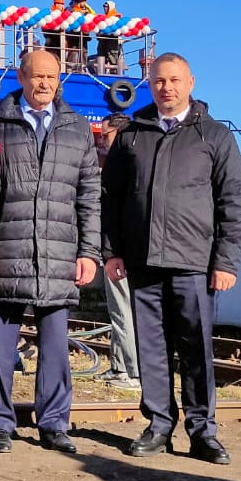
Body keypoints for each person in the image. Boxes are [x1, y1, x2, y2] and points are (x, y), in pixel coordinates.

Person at [102, 53, 241, 465]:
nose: (167, 87)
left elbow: (234, 201)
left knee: (196, 350)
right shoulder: (132, 136)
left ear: (191, 82)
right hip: (143, 262)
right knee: (151, 348)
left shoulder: (214, 136)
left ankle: (203, 432)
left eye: (175, 80)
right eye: (159, 81)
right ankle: (159, 425)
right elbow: (109, 198)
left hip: (194, 263)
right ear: (150, 84)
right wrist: (111, 251)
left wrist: (226, 261)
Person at [0, 49, 100, 455]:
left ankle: (55, 424)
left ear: (60, 80)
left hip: (59, 252)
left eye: (51, 77)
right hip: (7, 248)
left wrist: (89, 251)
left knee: (56, 346)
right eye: (36, 76)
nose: (44, 83)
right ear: (22, 77)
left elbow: (90, 195)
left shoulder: (77, 128)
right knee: (1, 345)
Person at [95, 113, 140, 391]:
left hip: (121, 252)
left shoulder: (121, 167)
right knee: (119, 310)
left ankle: (132, 372)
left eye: (106, 135)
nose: (101, 139)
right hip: (118, 249)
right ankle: (119, 366)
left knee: (124, 310)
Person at [96, 0, 124, 74]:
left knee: (112, 55)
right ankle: (101, 72)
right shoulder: (103, 18)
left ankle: (113, 72)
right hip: (103, 39)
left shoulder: (116, 17)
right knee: (101, 53)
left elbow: (119, 28)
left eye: (106, 6)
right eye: (104, 6)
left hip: (112, 39)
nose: (104, 8)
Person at [41, 0, 65, 64]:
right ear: (56, 4)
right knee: (50, 53)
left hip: (59, 38)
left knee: (59, 54)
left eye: (63, 4)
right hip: (51, 36)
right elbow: (44, 25)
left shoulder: (63, 14)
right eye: (61, 4)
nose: (62, 6)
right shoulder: (51, 13)